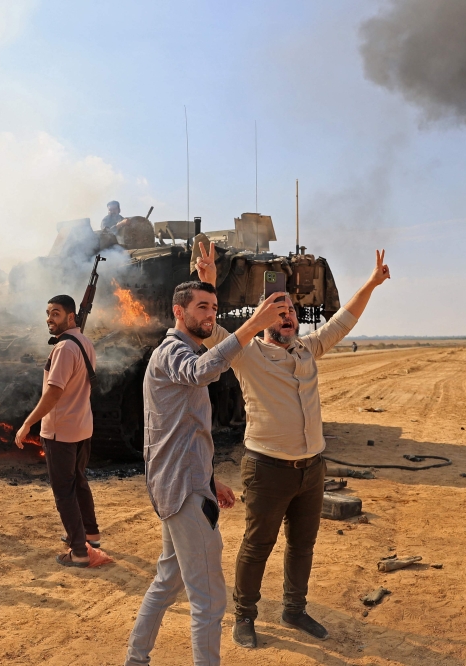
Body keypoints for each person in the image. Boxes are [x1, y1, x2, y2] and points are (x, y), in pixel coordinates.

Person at [196, 244, 390, 647]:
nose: (286, 317)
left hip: (312, 469)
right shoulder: (246, 354)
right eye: (277, 311)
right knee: (257, 545)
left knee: (303, 545)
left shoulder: (308, 348)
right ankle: (245, 616)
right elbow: (212, 332)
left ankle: (294, 610)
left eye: (291, 312)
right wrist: (208, 281)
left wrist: (371, 284)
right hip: (267, 469)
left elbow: (345, 320)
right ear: (263, 319)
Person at [124, 280, 286, 666]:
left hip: (184, 482)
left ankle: (135, 659)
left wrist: (209, 478)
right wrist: (251, 326)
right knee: (210, 600)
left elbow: (178, 430)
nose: (210, 314)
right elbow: (200, 372)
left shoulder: (181, 350)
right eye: (201, 307)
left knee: (167, 581)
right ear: (178, 312)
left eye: (213, 308)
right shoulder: (171, 353)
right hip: (182, 490)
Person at [15, 295, 99, 567]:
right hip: (82, 426)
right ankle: (91, 534)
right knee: (79, 481)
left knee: (64, 491)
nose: (50, 319)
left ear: (71, 317)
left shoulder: (64, 348)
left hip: (61, 430)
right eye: (48, 313)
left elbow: (54, 393)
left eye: (56, 314)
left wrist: (28, 422)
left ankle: (79, 552)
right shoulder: (85, 343)